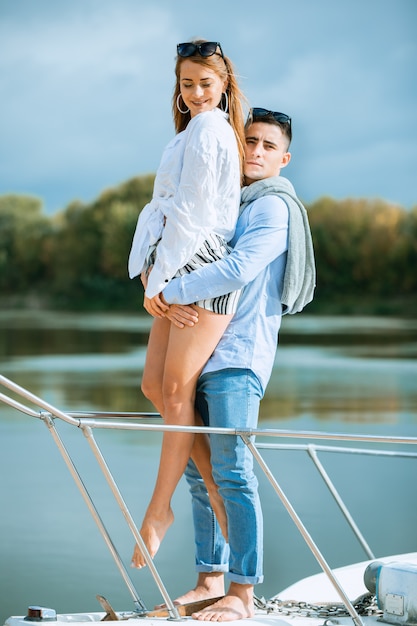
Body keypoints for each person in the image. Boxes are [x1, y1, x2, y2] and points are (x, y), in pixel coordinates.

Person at [155, 107, 316, 621]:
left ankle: (242, 593)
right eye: (249, 141)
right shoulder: (229, 203)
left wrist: (170, 290)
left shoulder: (273, 209)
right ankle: (209, 580)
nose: (255, 152)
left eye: (268, 146)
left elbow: (238, 268)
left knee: (233, 472)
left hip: (238, 356)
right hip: (203, 348)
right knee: (201, 478)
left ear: (283, 157)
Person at [128, 40, 246, 569]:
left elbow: (195, 215)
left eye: (205, 83)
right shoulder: (188, 132)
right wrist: (149, 270)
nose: (196, 93)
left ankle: (159, 510)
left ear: (224, 85)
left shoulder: (211, 130)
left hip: (200, 270)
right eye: (186, 84)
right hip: (176, 265)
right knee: (155, 386)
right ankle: (216, 495)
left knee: (176, 389)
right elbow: (162, 211)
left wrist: (164, 282)